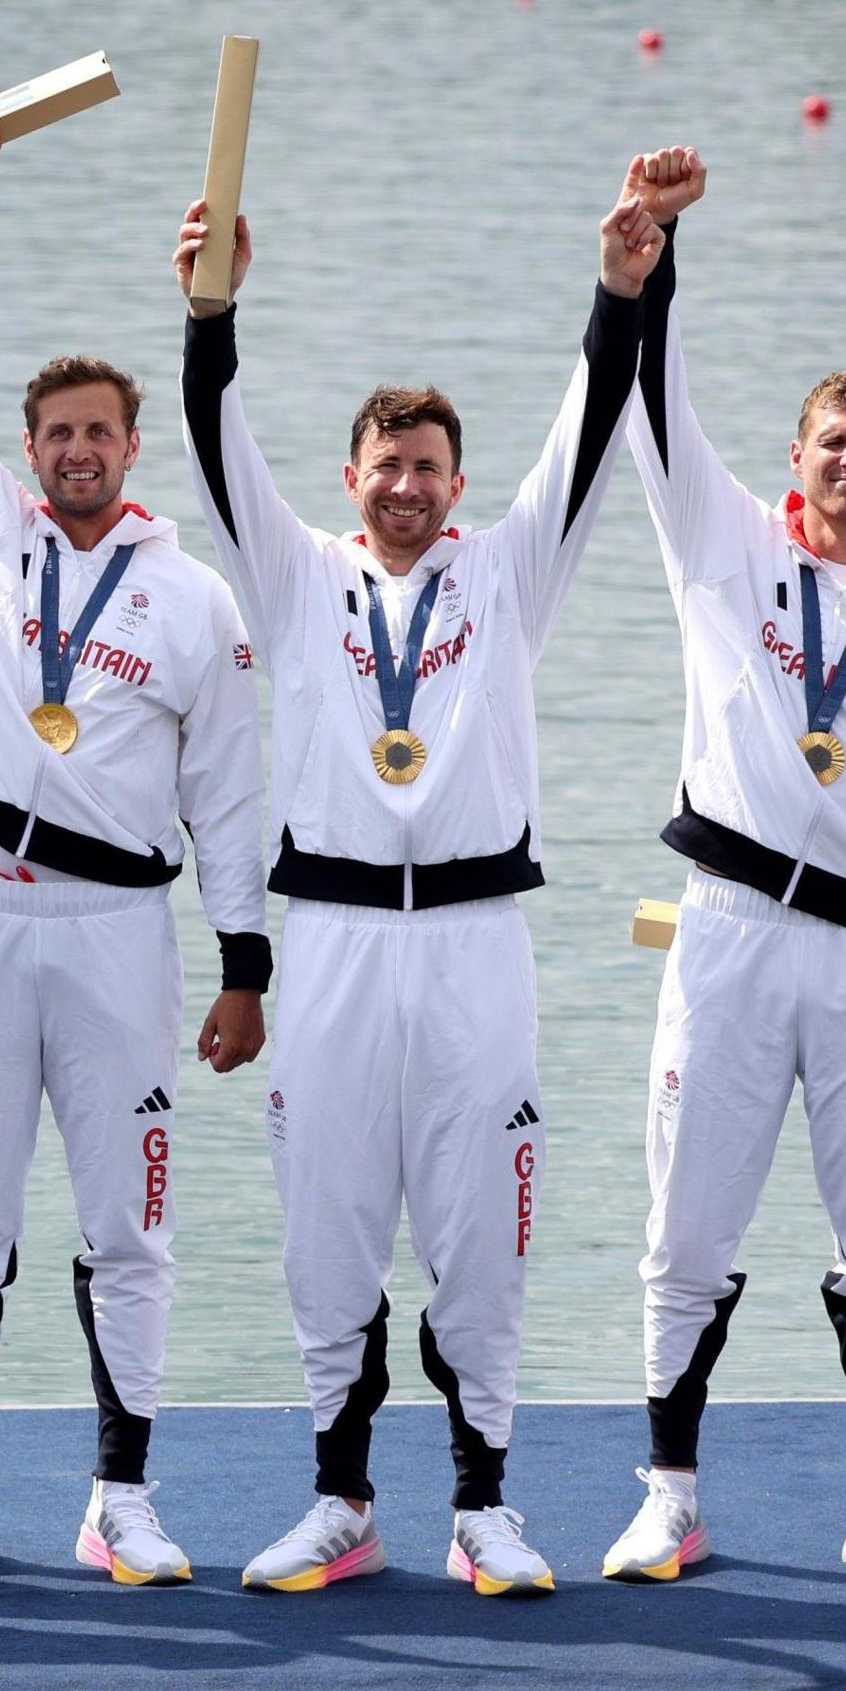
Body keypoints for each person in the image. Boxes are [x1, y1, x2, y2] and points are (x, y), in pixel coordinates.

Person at [178, 169, 650, 1601]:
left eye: (428, 464)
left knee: (481, 1227)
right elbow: (212, 442)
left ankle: (484, 1505)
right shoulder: (294, 575)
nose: (405, 483)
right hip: (323, 941)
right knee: (326, 1226)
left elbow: (592, 427)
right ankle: (339, 1497)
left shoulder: (512, 571)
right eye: (384, 462)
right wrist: (215, 304)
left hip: (471, 938)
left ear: (456, 482)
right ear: (351, 477)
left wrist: (620, 288)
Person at [0, 105, 271, 1592]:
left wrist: (247, 964)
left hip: (119, 933)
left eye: (102, 431)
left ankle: (121, 1495)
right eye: (58, 435)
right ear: (29, 452)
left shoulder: (195, 598)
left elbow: (229, 793)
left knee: (129, 1221)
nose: (79, 451)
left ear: (132, 443)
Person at [592, 148, 846, 1589]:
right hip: (730, 934)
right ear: (795, 458)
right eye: (830, 440)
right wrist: (661, 257)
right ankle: (669, 1492)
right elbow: (650, 405)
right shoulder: (719, 547)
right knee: (685, 1221)